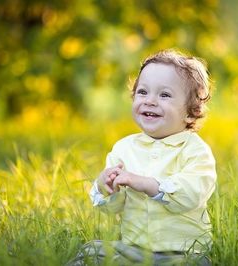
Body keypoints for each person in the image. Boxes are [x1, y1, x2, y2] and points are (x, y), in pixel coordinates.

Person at [68, 49, 216, 265]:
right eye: (143, 92)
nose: (150, 101)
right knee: (92, 252)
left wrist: (148, 184)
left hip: (182, 252)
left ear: (191, 111)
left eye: (164, 95)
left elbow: (192, 194)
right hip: (133, 249)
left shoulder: (194, 150)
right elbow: (113, 208)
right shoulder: (124, 148)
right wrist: (105, 187)